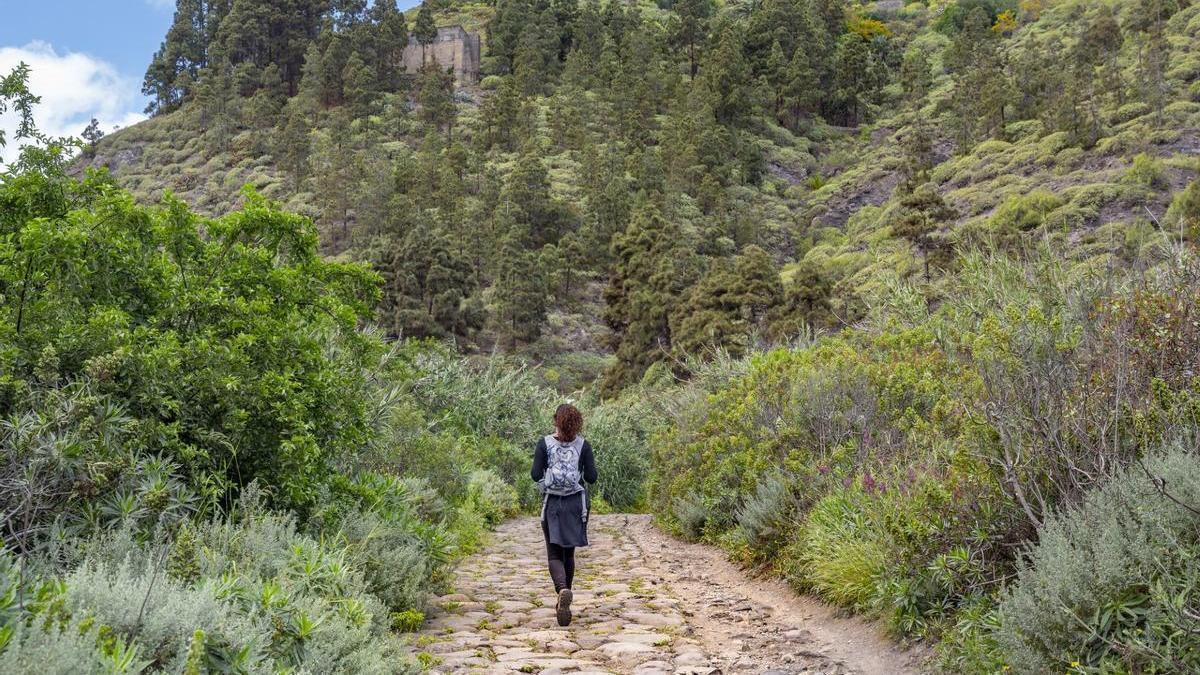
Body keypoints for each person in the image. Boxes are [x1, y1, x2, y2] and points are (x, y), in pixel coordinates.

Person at [530, 403, 597, 627]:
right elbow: (592, 477)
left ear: (555, 421)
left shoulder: (545, 443)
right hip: (576, 504)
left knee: (553, 554)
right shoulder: (583, 445)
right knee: (569, 554)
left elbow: (534, 474)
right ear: (577, 423)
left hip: (553, 504)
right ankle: (564, 597)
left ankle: (562, 591)